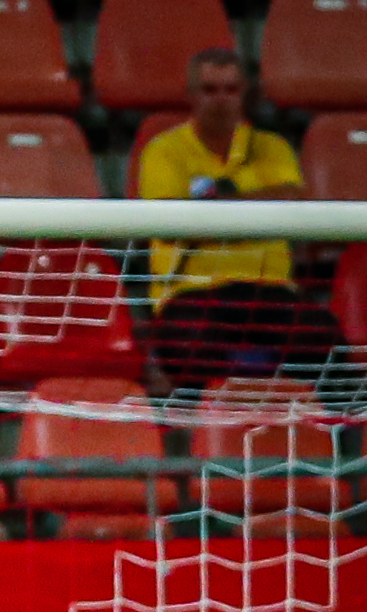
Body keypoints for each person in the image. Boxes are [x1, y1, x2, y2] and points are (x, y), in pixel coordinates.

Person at [137, 48, 341, 392]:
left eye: (230, 90)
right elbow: (171, 225)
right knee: (190, 347)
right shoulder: (162, 151)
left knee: (324, 340)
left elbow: (292, 202)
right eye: (209, 90)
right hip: (192, 293)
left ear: (244, 94)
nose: (220, 100)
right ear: (190, 95)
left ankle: (327, 439)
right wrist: (256, 212)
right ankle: (203, 441)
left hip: (270, 291)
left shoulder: (273, 148)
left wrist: (212, 211)